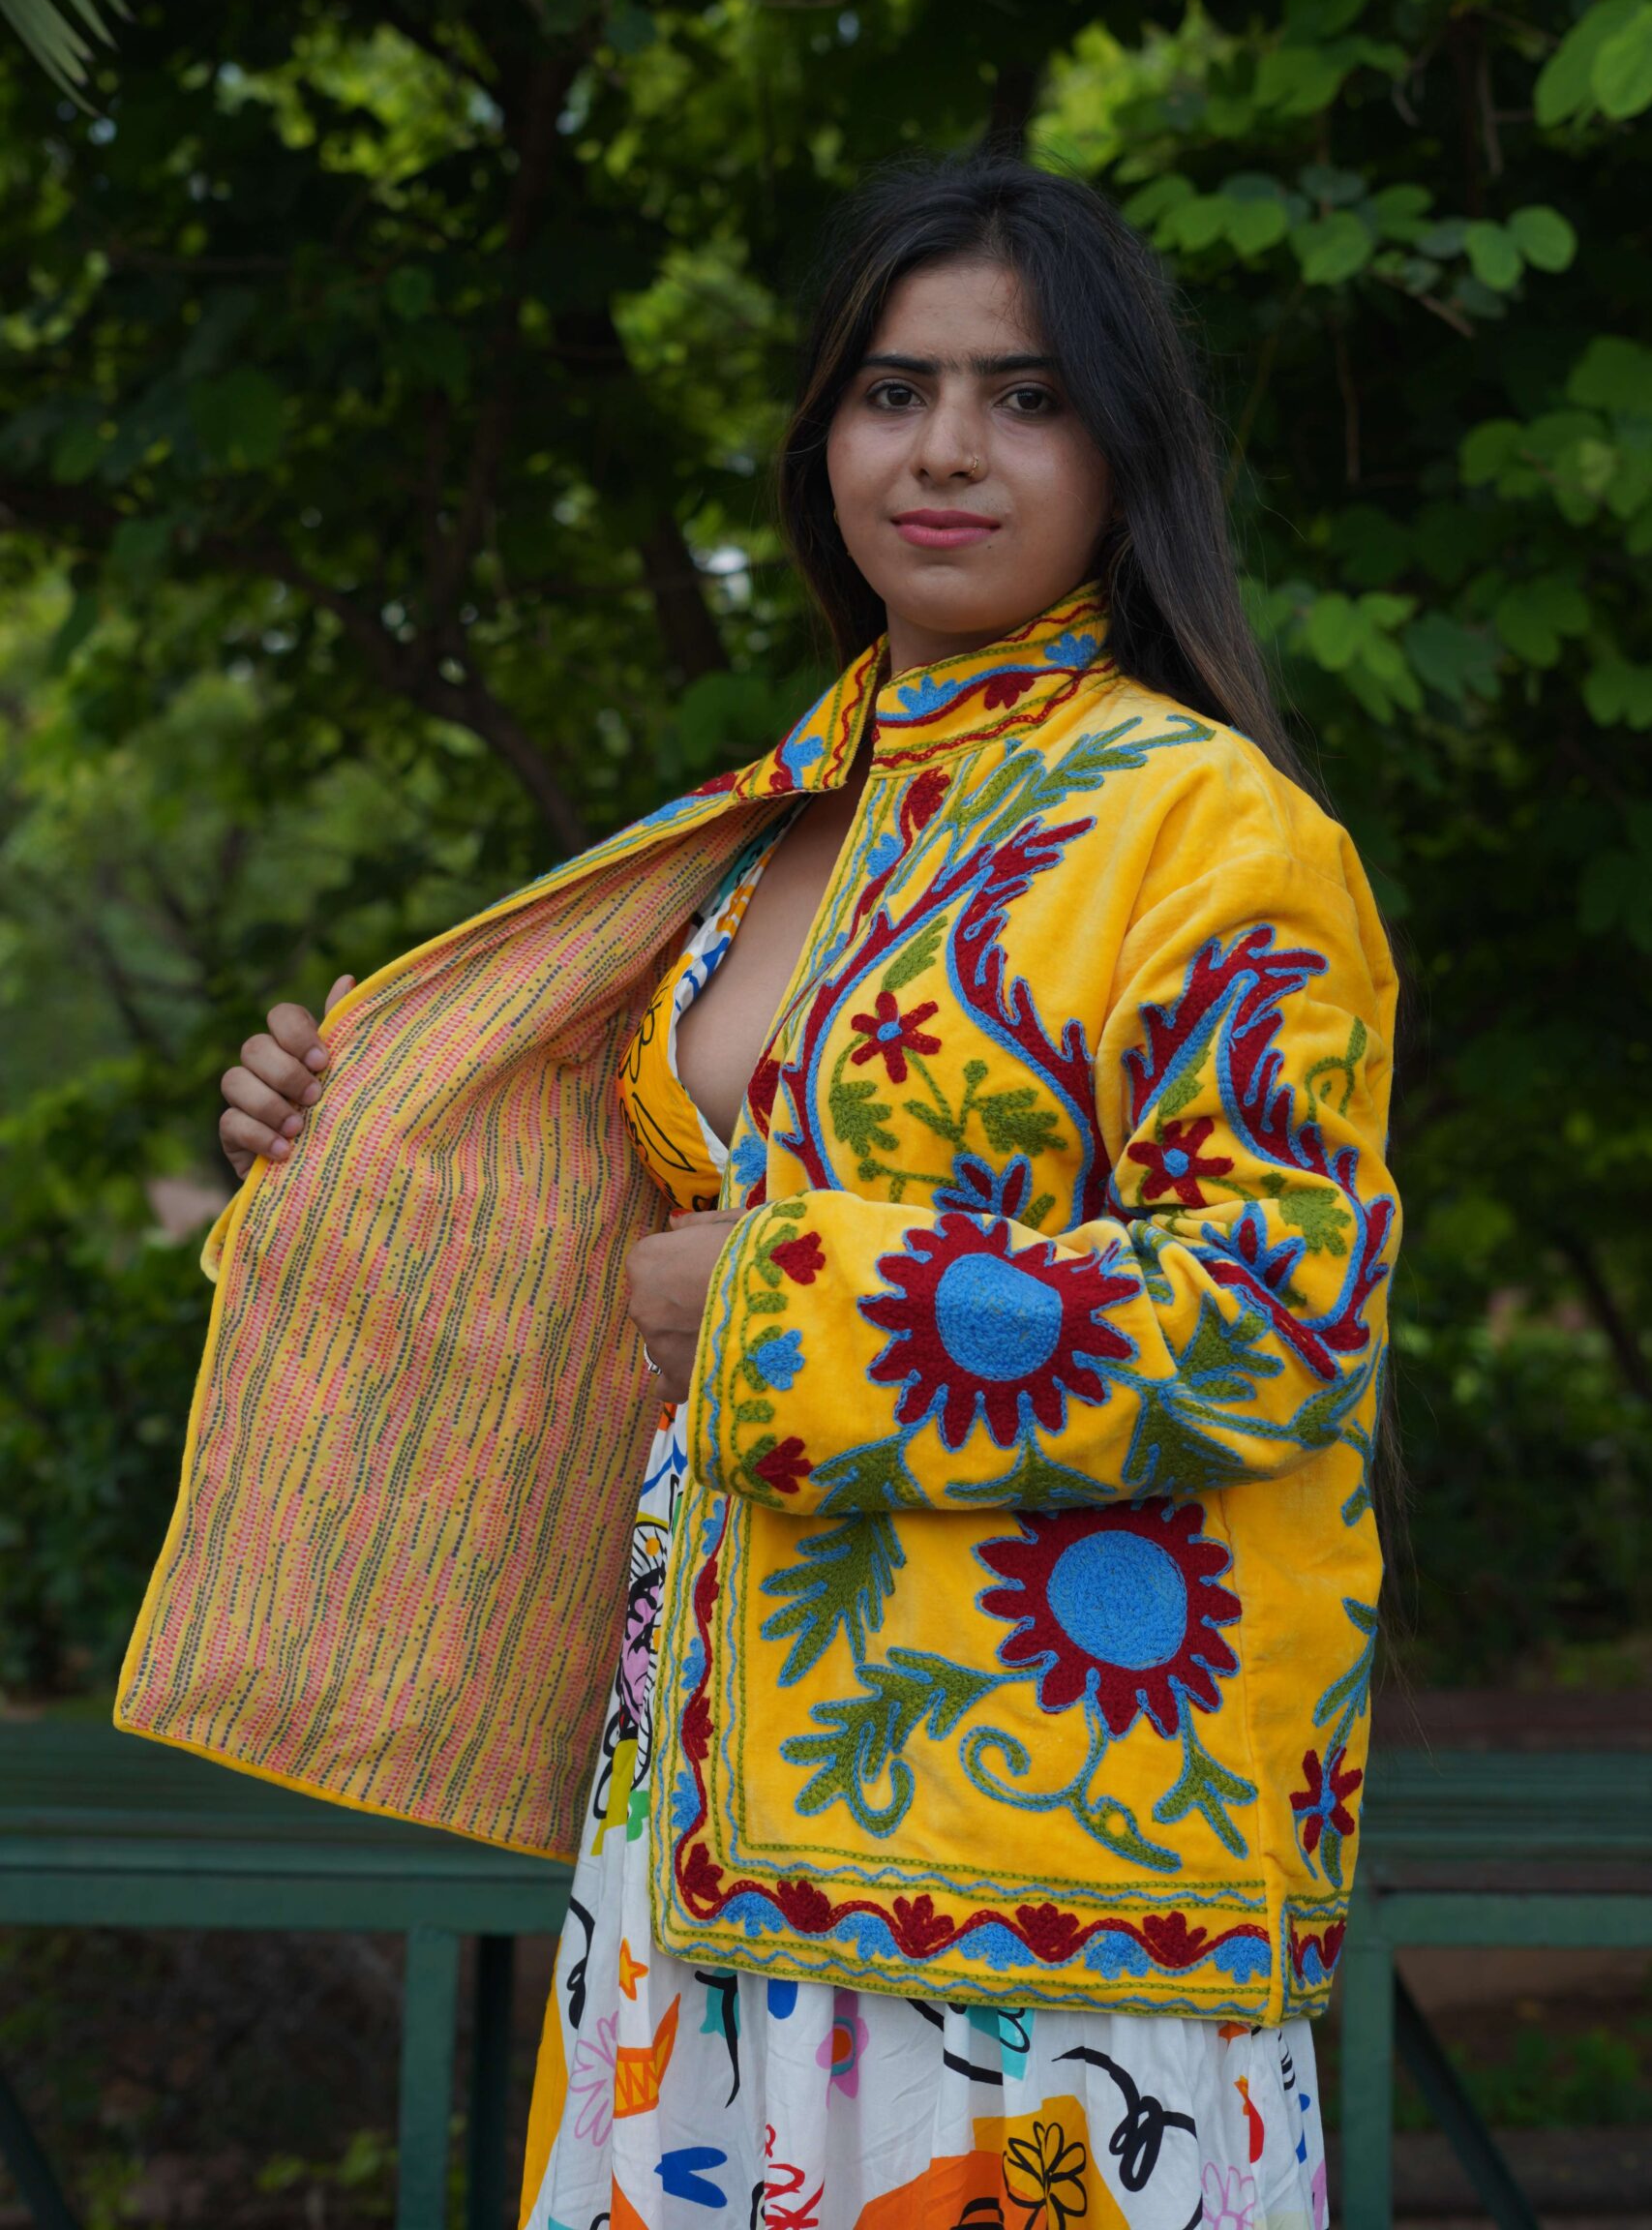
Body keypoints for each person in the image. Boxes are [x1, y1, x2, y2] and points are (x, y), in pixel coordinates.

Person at [129, 153, 1398, 2230]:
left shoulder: (1208, 830)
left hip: (1031, 1880)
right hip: (692, 1825)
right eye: (892, 392)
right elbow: (626, 1237)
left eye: (1024, 396)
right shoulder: (777, 824)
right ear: (821, 445)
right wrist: (338, 1128)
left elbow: (1283, 1309)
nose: (946, 450)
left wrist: (790, 1310)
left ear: (1121, 452)